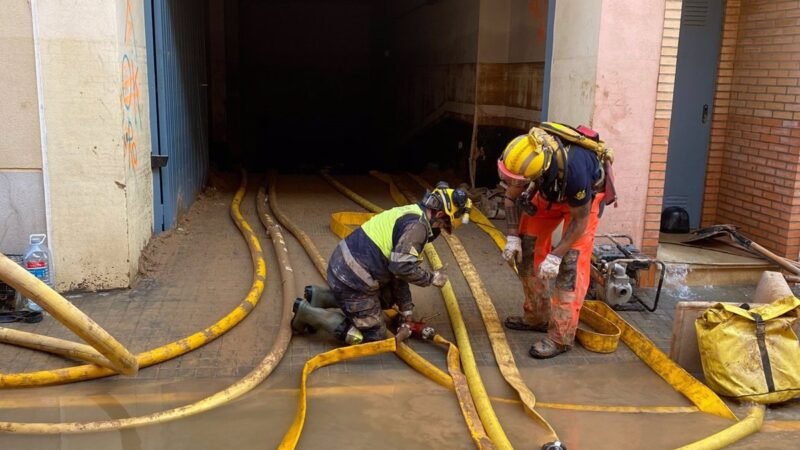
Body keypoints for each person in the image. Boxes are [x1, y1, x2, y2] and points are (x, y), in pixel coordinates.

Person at [292, 182, 472, 344]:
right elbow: (401, 268)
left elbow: (398, 275)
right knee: (373, 335)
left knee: (388, 299)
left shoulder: (413, 213)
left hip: (345, 267)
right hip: (352, 278)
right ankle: (308, 313)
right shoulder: (417, 229)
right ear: (439, 214)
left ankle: (320, 297)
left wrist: (407, 310)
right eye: (443, 224)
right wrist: (431, 278)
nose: (441, 229)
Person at [497, 125, 612, 359]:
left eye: (519, 182)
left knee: (569, 267)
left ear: (539, 172)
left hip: (582, 205)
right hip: (549, 193)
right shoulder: (519, 156)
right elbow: (510, 197)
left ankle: (561, 337)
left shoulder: (575, 170)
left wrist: (556, 255)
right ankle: (537, 317)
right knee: (527, 252)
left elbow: (579, 221)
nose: (514, 185)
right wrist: (512, 236)